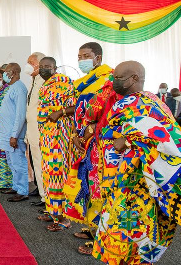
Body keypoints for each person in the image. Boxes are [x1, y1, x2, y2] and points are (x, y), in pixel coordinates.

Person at [93, 61, 181, 264]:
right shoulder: (149, 100)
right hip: (122, 179)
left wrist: (127, 138)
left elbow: (164, 134)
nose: (113, 81)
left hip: (136, 181)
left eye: (117, 77)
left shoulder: (145, 102)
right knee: (126, 227)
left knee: (130, 228)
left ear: (134, 78)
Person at [64, 42, 116, 256]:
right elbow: (82, 109)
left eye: (86, 55)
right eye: (79, 56)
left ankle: (103, 239)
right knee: (87, 182)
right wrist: (78, 132)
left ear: (98, 57)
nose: (81, 59)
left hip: (103, 142)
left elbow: (110, 111)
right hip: (85, 140)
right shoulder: (85, 82)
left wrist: (92, 128)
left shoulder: (109, 79)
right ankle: (92, 227)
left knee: (100, 187)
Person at [36, 57, 75, 231]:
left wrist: (59, 112)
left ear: (55, 67)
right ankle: (52, 210)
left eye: (48, 66)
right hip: (47, 137)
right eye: (42, 66)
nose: (44, 69)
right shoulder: (46, 84)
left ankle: (64, 217)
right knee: (48, 174)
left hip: (59, 137)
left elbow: (76, 106)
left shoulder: (64, 82)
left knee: (58, 174)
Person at [0, 63, 29, 202]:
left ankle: (22, 190)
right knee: (11, 162)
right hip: (7, 133)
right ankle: (16, 186)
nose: (5, 74)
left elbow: (20, 115)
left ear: (14, 72)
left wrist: (14, 135)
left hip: (14, 135)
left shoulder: (20, 89)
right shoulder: (11, 87)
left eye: (7, 71)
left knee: (18, 163)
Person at [24, 52, 46, 205]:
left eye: (31, 62)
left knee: (40, 164)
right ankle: (39, 190)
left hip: (40, 131)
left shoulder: (45, 81)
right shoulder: (33, 80)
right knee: (34, 161)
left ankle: (46, 197)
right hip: (31, 130)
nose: (28, 65)